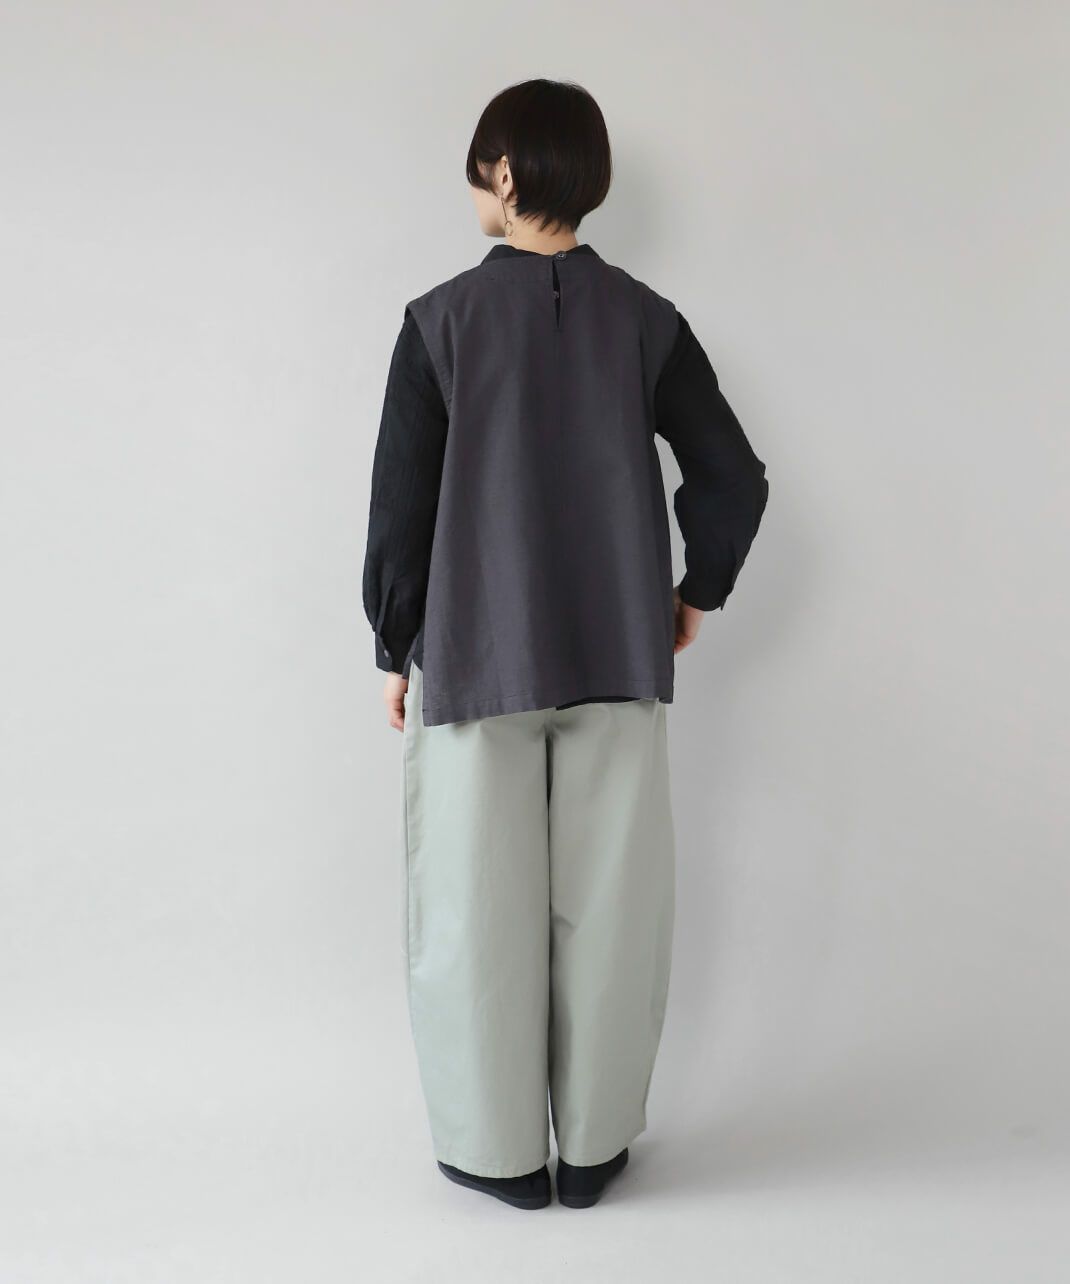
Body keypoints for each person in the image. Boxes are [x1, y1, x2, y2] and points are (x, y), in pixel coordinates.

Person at [362, 78, 769, 1210]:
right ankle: (592, 1153)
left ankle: (496, 1158)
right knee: (612, 912)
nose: (473, 187)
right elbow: (733, 475)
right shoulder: (645, 318)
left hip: (475, 659)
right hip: (618, 655)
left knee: (474, 912)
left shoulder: (437, 322)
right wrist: (694, 594)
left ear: (504, 173)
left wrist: (395, 645)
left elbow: (401, 506)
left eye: (476, 168)